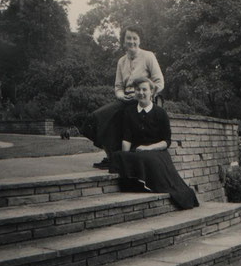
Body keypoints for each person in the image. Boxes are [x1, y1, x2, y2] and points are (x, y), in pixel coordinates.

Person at [109, 77, 199, 210]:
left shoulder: (160, 113)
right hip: (138, 151)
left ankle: (149, 185)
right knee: (118, 155)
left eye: (144, 89)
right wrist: (124, 155)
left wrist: (148, 148)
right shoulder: (129, 112)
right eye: (138, 90)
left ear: (152, 92)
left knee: (146, 157)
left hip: (158, 151)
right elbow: (126, 138)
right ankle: (137, 184)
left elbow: (166, 141)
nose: (141, 93)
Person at [85, 25, 164, 169]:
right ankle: (112, 155)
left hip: (142, 99)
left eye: (135, 38)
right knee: (98, 118)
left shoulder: (148, 56)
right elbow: (118, 86)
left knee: (123, 118)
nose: (132, 41)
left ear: (139, 40)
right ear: (124, 41)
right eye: (129, 38)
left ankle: (117, 158)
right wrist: (121, 96)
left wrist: (145, 95)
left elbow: (159, 83)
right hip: (124, 99)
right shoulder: (121, 61)